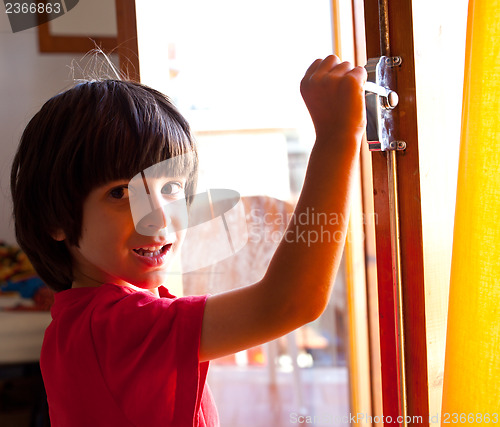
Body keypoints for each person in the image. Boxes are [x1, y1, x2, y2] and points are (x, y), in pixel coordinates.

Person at [10, 55, 366, 426]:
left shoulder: (86, 319)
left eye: (172, 188)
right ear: (55, 220)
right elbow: (290, 303)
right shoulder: (113, 327)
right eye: (120, 194)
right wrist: (337, 137)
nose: (161, 217)